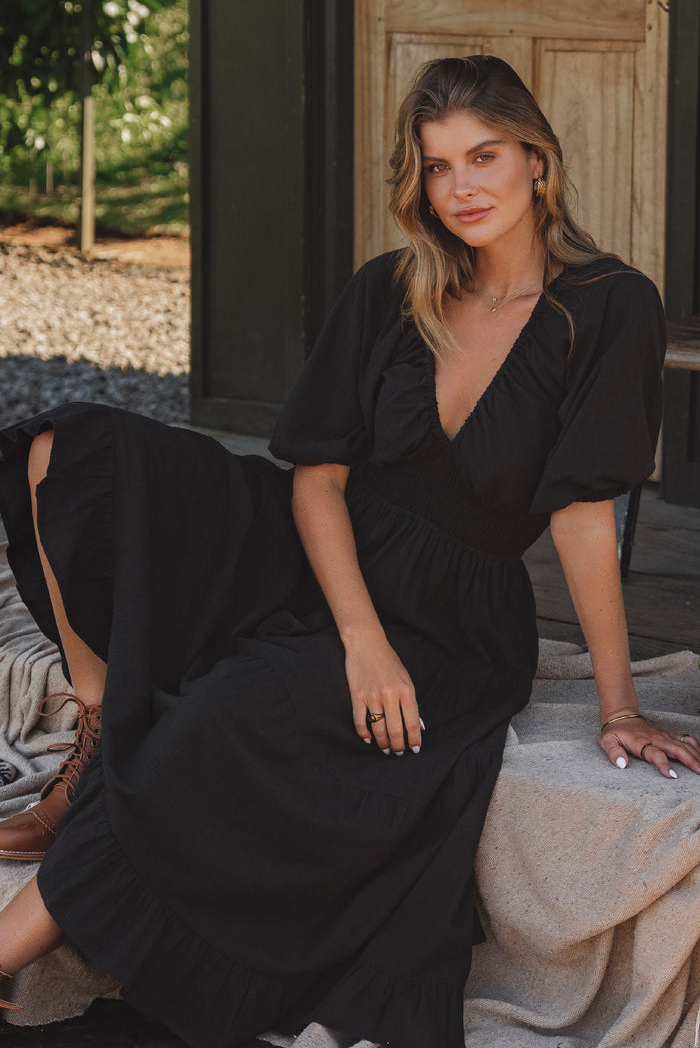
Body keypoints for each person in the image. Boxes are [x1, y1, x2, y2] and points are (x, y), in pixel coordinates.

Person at [0, 54, 696, 1048]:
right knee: (61, 449)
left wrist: (620, 704)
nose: (462, 186)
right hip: (312, 543)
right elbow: (318, 479)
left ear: (536, 158)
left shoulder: (607, 307)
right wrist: (357, 637)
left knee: (222, 716)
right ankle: (102, 716)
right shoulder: (392, 288)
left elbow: (586, 517)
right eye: (439, 164)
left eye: (484, 155)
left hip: (445, 611)